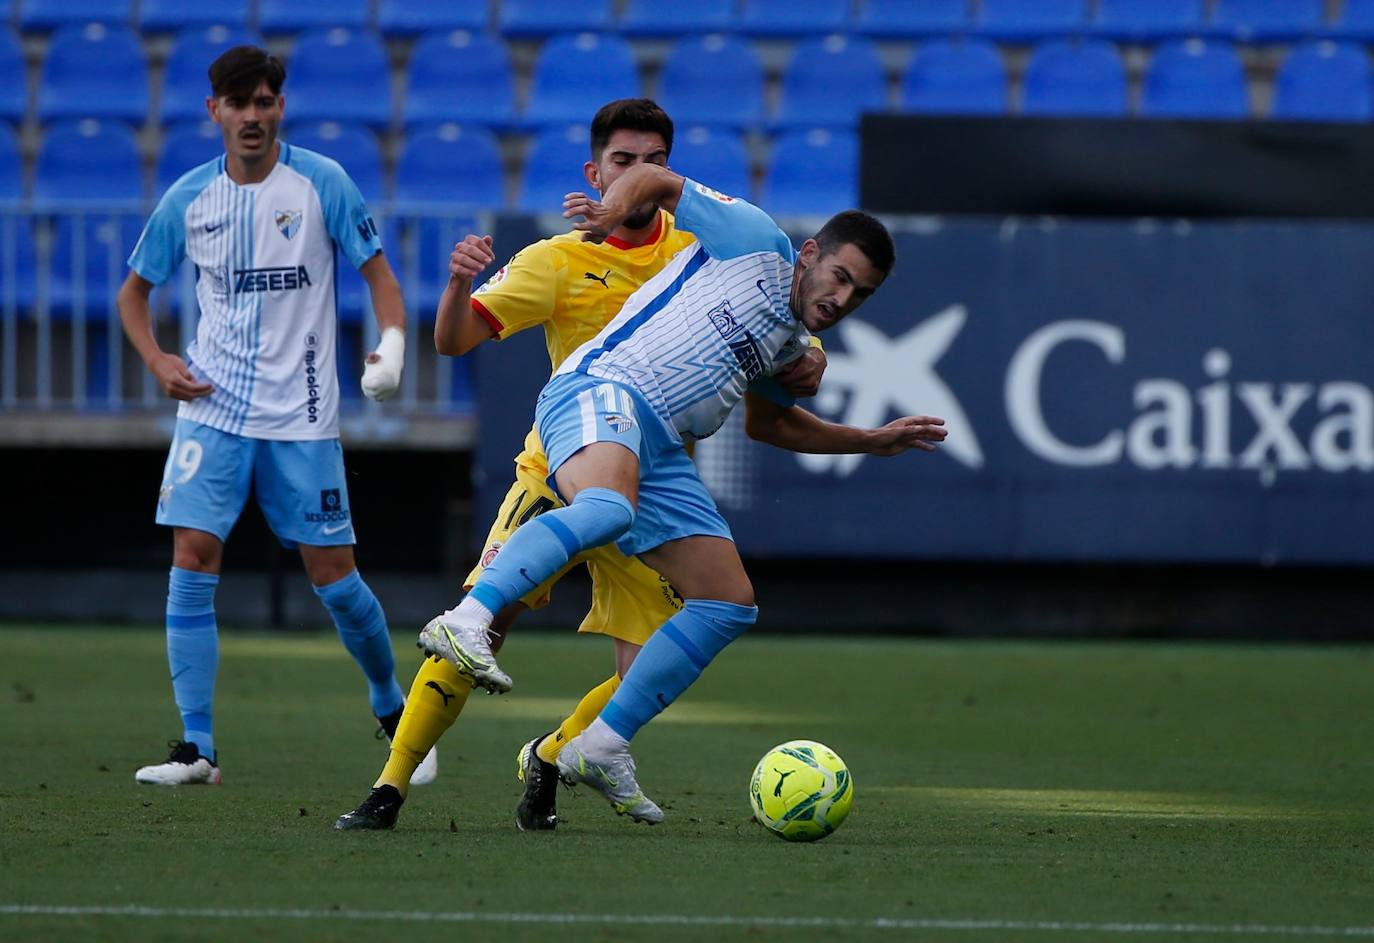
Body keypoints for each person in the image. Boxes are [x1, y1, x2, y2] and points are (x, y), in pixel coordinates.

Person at [333, 99, 828, 831]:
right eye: (624, 161)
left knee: (650, 668)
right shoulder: (557, 260)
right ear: (595, 174)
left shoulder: (704, 245)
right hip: (559, 466)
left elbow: (781, 323)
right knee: (486, 621)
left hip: (653, 479)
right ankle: (392, 783)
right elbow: (456, 339)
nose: (641, 173)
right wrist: (454, 284)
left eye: (655, 160)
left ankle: (556, 751)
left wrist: (812, 357)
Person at [422, 164, 947, 823]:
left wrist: (869, 440)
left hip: (658, 442)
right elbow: (652, 177)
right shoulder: (756, 238)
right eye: (841, 277)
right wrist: (614, 212)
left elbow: (770, 422)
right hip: (598, 388)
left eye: (860, 294)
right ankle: (468, 618)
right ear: (809, 253)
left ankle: (603, 744)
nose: (843, 298)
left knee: (729, 601)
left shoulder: (790, 341)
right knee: (608, 507)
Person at [117, 46, 435, 786]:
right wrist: (160, 360)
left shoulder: (323, 183)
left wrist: (390, 350)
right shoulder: (188, 200)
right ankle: (197, 748)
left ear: (279, 108)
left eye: (264, 102)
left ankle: (396, 712)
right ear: (215, 112)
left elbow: (381, 280)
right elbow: (134, 295)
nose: (252, 116)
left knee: (333, 576)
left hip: (303, 415)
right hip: (213, 410)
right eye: (239, 104)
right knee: (192, 558)